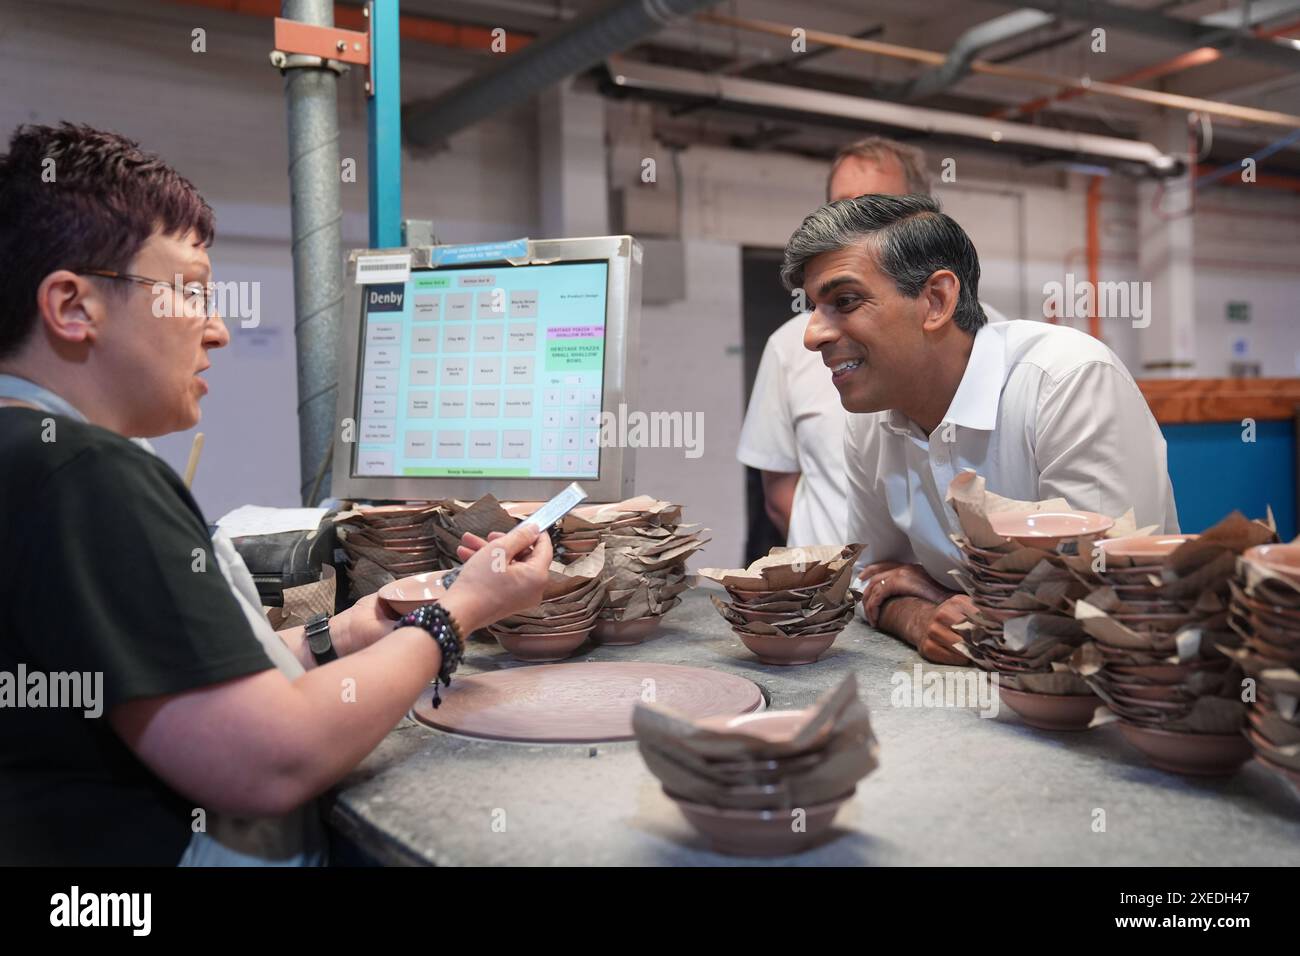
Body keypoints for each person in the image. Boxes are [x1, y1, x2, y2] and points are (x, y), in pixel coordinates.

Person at [0, 122, 551, 865]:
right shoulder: (85, 475)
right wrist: (459, 613)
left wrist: (351, 632)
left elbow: (184, 682)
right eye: (189, 293)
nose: (219, 330)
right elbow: (269, 758)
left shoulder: (28, 457)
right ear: (72, 306)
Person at [781, 194, 1178, 664]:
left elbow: (1110, 598)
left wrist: (954, 600)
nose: (811, 335)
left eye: (844, 301)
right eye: (813, 308)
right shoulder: (871, 423)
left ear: (936, 300)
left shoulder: (1067, 383)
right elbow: (871, 578)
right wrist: (921, 618)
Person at [737, 136, 1004, 546]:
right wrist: (846, 575)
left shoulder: (993, 346)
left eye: (877, 204)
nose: (854, 220)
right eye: (841, 205)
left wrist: (938, 579)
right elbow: (777, 492)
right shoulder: (790, 350)